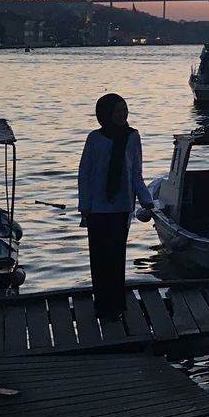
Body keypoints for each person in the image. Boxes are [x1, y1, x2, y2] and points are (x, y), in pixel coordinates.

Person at [77, 93, 153, 319]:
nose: (122, 115)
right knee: (99, 258)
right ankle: (101, 305)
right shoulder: (94, 138)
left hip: (121, 207)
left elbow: (136, 174)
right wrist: (85, 205)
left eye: (125, 110)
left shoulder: (132, 136)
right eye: (117, 111)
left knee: (116, 258)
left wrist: (146, 198)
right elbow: (85, 174)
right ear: (106, 114)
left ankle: (117, 307)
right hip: (97, 208)